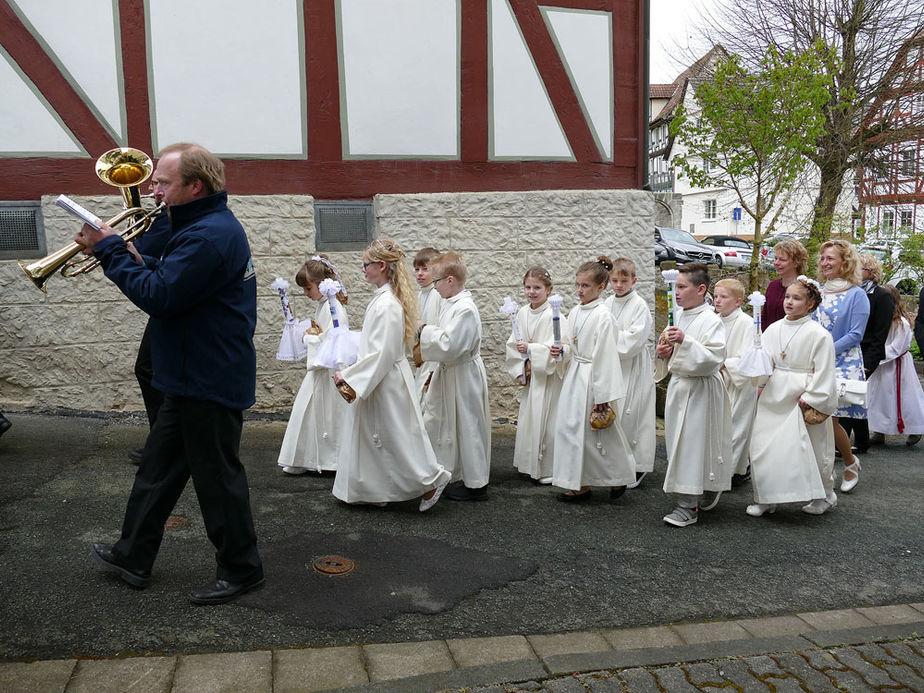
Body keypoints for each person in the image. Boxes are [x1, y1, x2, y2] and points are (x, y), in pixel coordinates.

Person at [76, 143, 264, 605]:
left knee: (217, 480)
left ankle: (242, 570)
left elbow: (160, 297)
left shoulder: (209, 235)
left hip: (208, 376)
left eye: (162, 182)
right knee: (157, 473)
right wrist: (133, 256)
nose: (152, 189)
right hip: (187, 373)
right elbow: (174, 278)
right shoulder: (199, 225)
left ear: (194, 186)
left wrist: (111, 253)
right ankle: (132, 555)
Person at [332, 238, 451, 509]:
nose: (362, 269)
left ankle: (431, 479)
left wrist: (350, 376)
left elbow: (382, 352)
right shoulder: (384, 299)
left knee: (397, 436)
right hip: (381, 377)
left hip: (385, 381)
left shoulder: (387, 304)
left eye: (366, 265)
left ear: (381, 266)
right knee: (381, 437)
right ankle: (376, 490)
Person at [746, 276, 838, 516]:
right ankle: (766, 497)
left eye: (797, 298)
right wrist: (757, 366)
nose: (789, 302)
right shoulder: (774, 329)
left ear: (810, 304)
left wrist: (812, 398)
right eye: (787, 297)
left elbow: (825, 370)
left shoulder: (819, 335)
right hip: (775, 393)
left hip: (801, 395)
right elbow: (765, 360)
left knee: (810, 448)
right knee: (765, 446)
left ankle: (823, 494)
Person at [551, 256, 635, 503]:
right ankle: (580, 483)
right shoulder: (576, 311)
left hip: (593, 380)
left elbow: (606, 357)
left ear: (601, 287)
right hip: (575, 376)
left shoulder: (603, 316)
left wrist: (603, 397)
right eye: (577, 284)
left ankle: (618, 477)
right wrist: (563, 352)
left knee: (599, 435)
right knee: (571, 431)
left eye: (585, 286)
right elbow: (572, 345)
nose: (579, 290)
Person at [656, 262, 732, 527]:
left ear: (701, 289)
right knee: (680, 444)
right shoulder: (680, 315)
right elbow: (671, 352)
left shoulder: (711, 319)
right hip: (680, 387)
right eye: (675, 286)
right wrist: (665, 353)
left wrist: (685, 342)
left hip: (701, 390)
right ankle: (697, 491)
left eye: (681, 287)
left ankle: (688, 505)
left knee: (693, 445)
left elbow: (714, 357)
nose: (676, 292)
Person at [419, 251, 492, 501]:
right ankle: (455, 472)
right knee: (450, 424)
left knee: (469, 426)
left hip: (463, 374)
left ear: (450, 280)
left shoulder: (465, 309)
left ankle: (476, 484)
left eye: (436, 281)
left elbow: (450, 344)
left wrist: (423, 332)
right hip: (451, 372)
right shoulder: (450, 303)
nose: (434, 286)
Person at [276, 255, 349, 475]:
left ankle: (331, 460)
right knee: (312, 413)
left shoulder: (333, 308)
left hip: (329, 370)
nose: (306, 294)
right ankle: (312, 457)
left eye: (308, 288)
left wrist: (310, 338)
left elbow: (336, 338)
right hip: (322, 370)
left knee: (328, 415)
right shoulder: (324, 305)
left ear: (321, 284)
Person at [815, 240, 870, 495]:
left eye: (831, 259)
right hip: (816, 359)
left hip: (843, 361)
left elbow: (856, 334)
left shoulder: (857, 295)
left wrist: (825, 350)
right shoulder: (817, 291)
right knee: (818, 418)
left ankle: (849, 463)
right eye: (823, 258)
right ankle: (824, 469)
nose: (825, 263)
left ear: (845, 262)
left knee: (830, 417)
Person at [505, 266, 566, 484]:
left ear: (548, 290)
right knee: (530, 418)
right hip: (532, 376)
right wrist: (519, 368)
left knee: (548, 421)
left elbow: (556, 346)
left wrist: (531, 350)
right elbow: (513, 342)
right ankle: (529, 464)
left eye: (537, 287)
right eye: (528, 287)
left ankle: (548, 467)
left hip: (547, 379)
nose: (532, 292)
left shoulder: (553, 314)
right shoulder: (522, 312)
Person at [603, 258, 655, 488]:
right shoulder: (606, 303)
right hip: (613, 366)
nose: (618, 285)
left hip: (633, 365)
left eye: (624, 281)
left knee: (634, 414)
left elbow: (633, 340)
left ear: (634, 280)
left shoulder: (639, 306)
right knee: (616, 412)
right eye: (614, 280)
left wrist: (608, 340)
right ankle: (614, 464)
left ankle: (638, 465)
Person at [127, 208, 171, 463]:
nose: (154, 191)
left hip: (172, 308)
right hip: (171, 306)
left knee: (149, 369)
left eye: (162, 184)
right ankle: (165, 442)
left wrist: (109, 247)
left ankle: (164, 444)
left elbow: (149, 247)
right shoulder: (170, 216)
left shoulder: (171, 218)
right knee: (149, 369)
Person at [839, 254, 894, 454]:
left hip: (867, 353)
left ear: (871, 272)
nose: (854, 272)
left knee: (847, 394)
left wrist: (869, 363)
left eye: (859, 268)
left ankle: (844, 443)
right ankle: (861, 442)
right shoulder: (850, 293)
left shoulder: (881, 296)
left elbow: (880, 333)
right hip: (850, 352)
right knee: (853, 395)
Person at [868, 285, 924, 447]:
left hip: (898, 366)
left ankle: (914, 428)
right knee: (881, 397)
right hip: (881, 366)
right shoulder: (880, 321)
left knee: (905, 397)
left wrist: (876, 355)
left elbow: (896, 347)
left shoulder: (901, 324)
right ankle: (880, 430)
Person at [413, 247, 443, 401]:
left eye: (425, 269)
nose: (420, 273)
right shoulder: (420, 294)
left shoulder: (438, 294)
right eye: (417, 269)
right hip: (423, 357)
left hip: (434, 359)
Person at [762, 239, 808, 328]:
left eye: (782, 260)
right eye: (775, 258)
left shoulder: (805, 288)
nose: (776, 263)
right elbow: (765, 317)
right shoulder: (773, 286)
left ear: (796, 263)